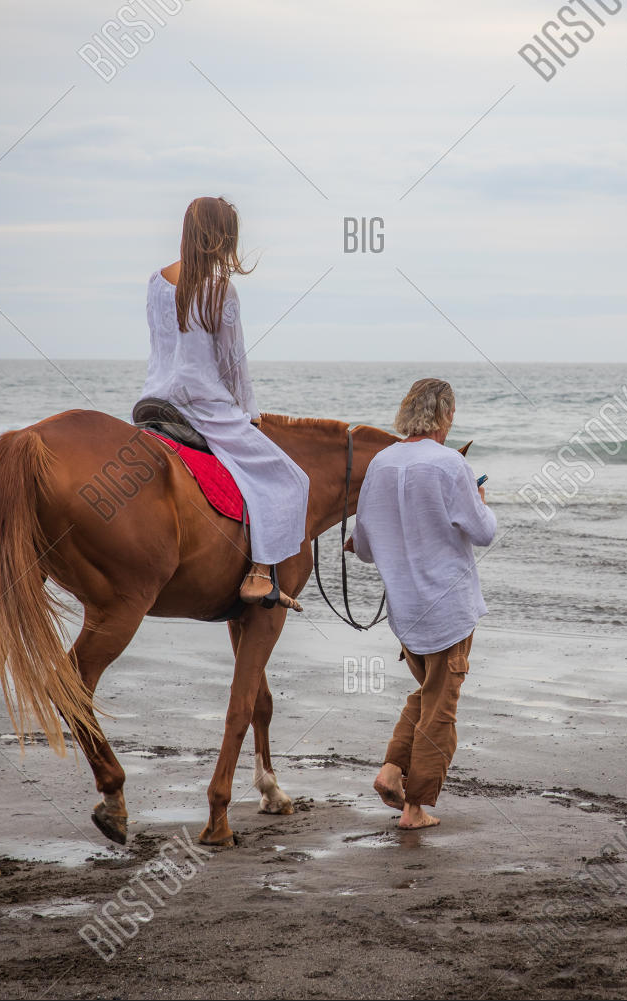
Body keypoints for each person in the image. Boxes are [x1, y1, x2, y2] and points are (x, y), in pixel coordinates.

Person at [139, 196, 310, 607]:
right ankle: (259, 573)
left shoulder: (155, 281)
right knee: (288, 479)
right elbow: (234, 365)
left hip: (154, 400)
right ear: (222, 238)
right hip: (203, 408)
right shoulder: (221, 290)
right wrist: (250, 416)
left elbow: (158, 346)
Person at [348, 378, 495, 829]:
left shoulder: (380, 464)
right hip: (449, 608)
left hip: (406, 613)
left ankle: (392, 770)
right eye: (452, 416)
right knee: (441, 710)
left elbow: (367, 547)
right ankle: (414, 808)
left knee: (429, 694)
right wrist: (480, 500)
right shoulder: (450, 464)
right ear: (444, 416)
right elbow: (484, 531)